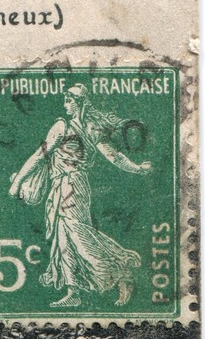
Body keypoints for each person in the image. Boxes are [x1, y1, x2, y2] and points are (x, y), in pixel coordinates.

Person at [9, 84, 152, 308]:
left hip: (70, 187)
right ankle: (73, 290)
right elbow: (114, 157)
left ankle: (121, 271)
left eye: (68, 101)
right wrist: (138, 168)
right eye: (65, 100)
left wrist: (18, 182)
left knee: (78, 235)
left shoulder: (64, 127)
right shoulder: (89, 128)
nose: (65, 105)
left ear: (78, 103)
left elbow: (40, 155)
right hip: (69, 186)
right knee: (64, 239)